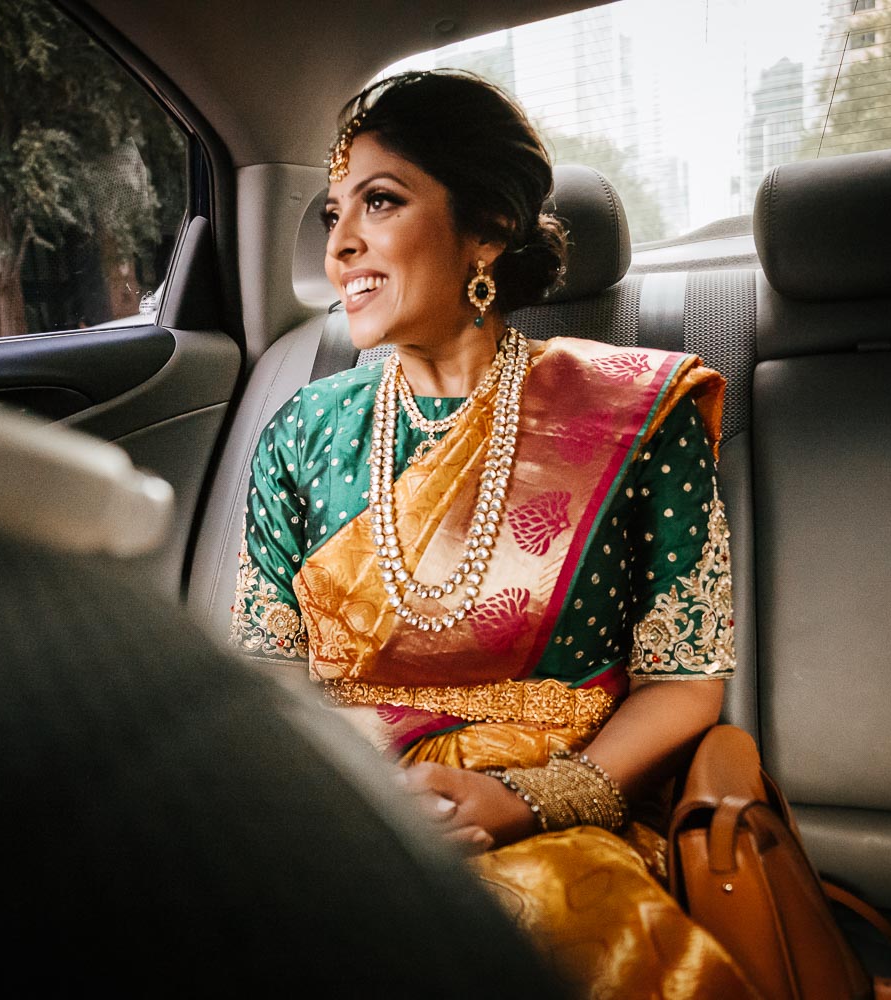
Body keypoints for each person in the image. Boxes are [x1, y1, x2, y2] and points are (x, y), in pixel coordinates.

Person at [231, 70, 759, 998]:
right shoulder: (301, 431)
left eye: (381, 202)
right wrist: (339, 794)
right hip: (344, 796)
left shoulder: (639, 415)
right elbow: (270, 666)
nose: (341, 242)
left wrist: (526, 802)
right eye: (331, 214)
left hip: (556, 812)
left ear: (488, 229)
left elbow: (683, 682)